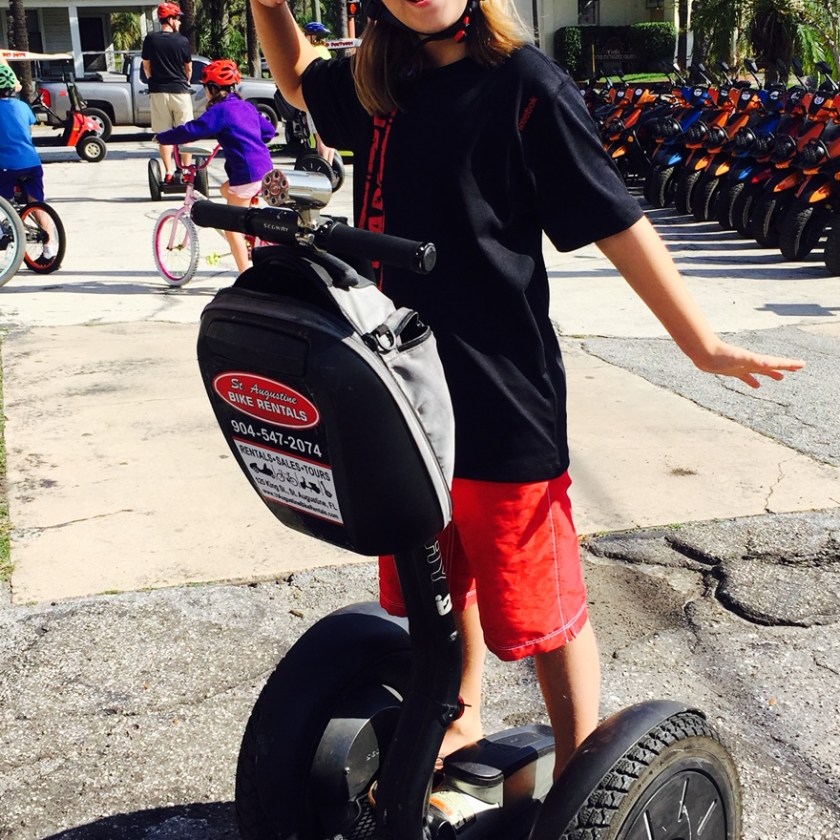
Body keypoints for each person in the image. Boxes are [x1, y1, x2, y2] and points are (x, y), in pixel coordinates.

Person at [252, 0, 806, 779]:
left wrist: (700, 342)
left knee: (538, 604)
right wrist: (269, 6)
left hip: (499, 393)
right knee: (439, 578)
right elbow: (299, 79)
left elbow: (615, 217)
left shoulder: (523, 83)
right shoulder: (383, 80)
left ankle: (584, 776)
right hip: (396, 383)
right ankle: (465, 712)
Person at [156, 58, 275, 273]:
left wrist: (164, 137)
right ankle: (251, 230)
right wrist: (245, 138)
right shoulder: (246, 106)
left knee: (232, 231)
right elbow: (268, 132)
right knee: (224, 189)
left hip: (247, 175)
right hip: (266, 169)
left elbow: (193, 129)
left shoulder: (220, 111)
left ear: (212, 88)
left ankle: (245, 277)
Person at [0, 63, 56, 265]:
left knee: (3, 201)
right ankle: (49, 248)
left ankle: (3, 233)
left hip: (6, 165)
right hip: (32, 162)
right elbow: (28, 126)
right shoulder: (23, 106)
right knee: (36, 204)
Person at [142, 2, 194, 182]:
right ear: (170, 19)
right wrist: (186, 82)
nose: (179, 23)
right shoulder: (182, 41)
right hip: (180, 91)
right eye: (178, 19)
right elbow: (188, 68)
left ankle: (169, 172)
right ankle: (186, 172)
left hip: (158, 92)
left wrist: (152, 80)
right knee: (186, 133)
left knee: (164, 135)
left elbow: (146, 65)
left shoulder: (150, 39)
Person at [301, 21, 337, 166]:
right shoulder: (325, 51)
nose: (304, 37)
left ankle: (323, 170)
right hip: (329, 98)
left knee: (320, 139)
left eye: (306, 35)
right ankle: (328, 167)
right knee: (329, 139)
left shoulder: (312, 53)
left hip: (316, 99)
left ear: (313, 37)